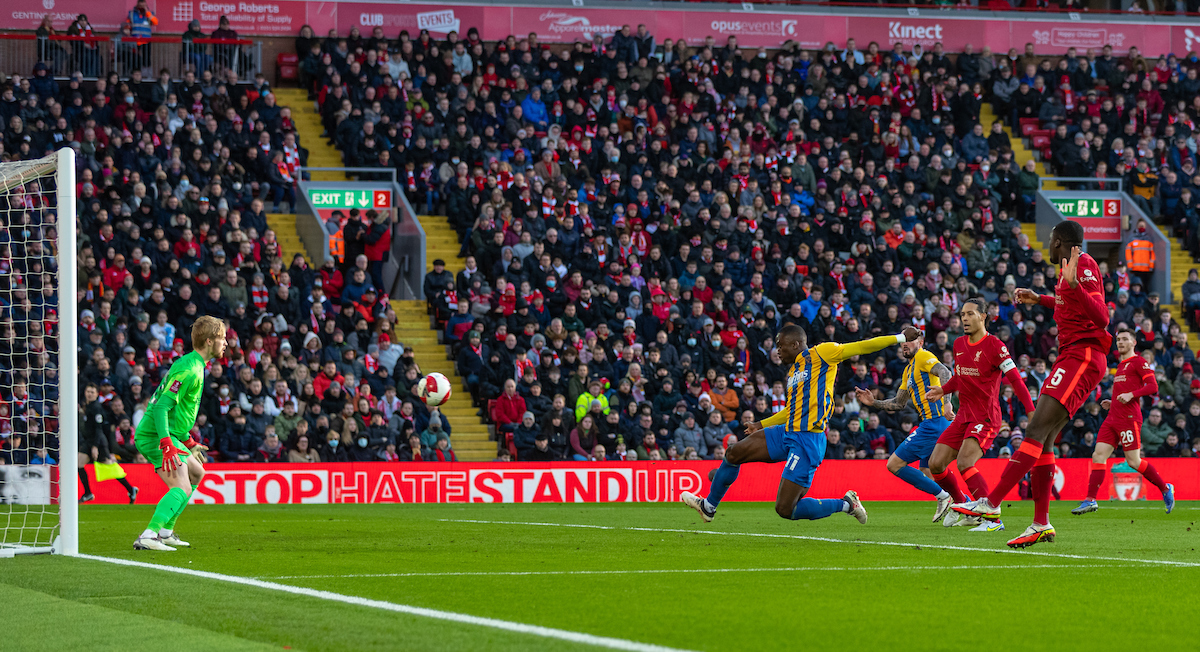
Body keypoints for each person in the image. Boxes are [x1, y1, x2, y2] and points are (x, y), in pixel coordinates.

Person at [954, 221, 1112, 549]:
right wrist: (1039, 299)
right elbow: (1070, 306)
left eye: (1051, 242)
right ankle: (1041, 523)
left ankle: (992, 502)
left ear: (1061, 242)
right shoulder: (1070, 268)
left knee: (1035, 430)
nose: (1047, 247)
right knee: (1047, 440)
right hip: (1072, 355)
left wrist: (1076, 286)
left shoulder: (1082, 264)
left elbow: (1102, 317)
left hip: (1083, 355)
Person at [681, 323, 920, 525]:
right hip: (787, 432)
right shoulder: (794, 371)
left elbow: (861, 346)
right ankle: (709, 506)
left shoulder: (823, 353)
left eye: (780, 346)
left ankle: (846, 504)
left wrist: (900, 337)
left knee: (785, 509)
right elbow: (791, 410)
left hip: (808, 439)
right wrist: (760, 424)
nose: (777, 351)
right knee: (734, 452)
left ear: (795, 344)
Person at [925, 298, 1034, 533]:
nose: (964, 318)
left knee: (965, 462)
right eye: (962, 314)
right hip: (964, 414)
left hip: (984, 417)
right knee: (935, 464)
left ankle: (993, 520)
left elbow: (1016, 379)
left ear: (983, 317)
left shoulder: (996, 346)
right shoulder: (958, 344)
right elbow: (960, 376)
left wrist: (1030, 410)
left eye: (970, 314)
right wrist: (943, 390)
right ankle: (963, 505)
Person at [132, 315, 225, 551]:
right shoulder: (191, 369)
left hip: (170, 434)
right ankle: (149, 535)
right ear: (209, 341)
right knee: (181, 486)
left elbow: (176, 411)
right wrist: (166, 443)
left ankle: (165, 532)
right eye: (222, 338)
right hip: (155, 434)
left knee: (197, 473)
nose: (225, 343)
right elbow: (162, 406)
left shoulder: (194, 365)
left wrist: (187, 441)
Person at [855, 330, 956, 524]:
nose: (905, 344)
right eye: (903, 341)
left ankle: (944, 497)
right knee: (929, 471)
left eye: (910, 340)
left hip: (934, 422)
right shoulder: (909, 370)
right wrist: (873, 402)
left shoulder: (923, 356)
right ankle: (967, 507)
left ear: (920, 342)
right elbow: (898, 403)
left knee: (894, 464)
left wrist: (947, 402)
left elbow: (945, 372)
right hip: (933, 423)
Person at [1072, 328, 1174, 515]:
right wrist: (1114, 402)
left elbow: (1153, 386)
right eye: (1118, 339)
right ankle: (1090, 500)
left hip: (1129, 419)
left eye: (1125, 339)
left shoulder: (1139, 362)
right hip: (1113, 417)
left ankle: (1165, 488)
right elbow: (1125, 392)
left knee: (1133, 461)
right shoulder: (1120, 365)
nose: (1120, 342)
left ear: (1134, 343)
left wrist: (1132, 395)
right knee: (1098, 455)